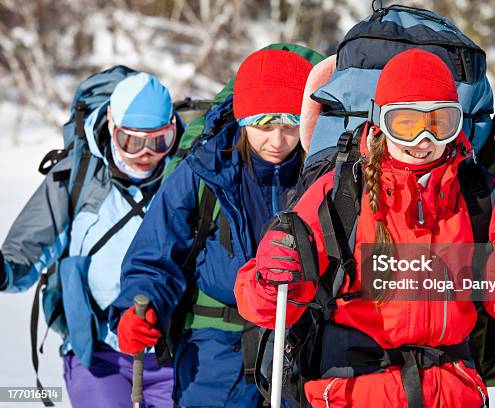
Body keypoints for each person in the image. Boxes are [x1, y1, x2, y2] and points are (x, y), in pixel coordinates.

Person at [234, 49, 495, 407]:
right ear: (380, 119)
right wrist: (271, 277)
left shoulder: (478, 196)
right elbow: (265, 302)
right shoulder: (342, 192)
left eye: (439, 122)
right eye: (407, 123)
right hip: (354, 391)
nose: (423, 141)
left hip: (451, 392)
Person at [108, 49, 314, 407]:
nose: (277, 142)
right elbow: (156, 255)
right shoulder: (203, 171)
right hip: (214, 351)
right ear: (243, 118)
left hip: (302, 348)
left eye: (290, 125)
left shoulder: (322, 175)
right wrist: (135, 307)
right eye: (264, 126)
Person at [0, 72, 180, 407]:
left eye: (158, 141)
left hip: (172, 356)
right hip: (96, 354)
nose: (144, 153)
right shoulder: (78, 172)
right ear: (112, 127)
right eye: (131, 141)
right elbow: (29, 246)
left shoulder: (186, 173)